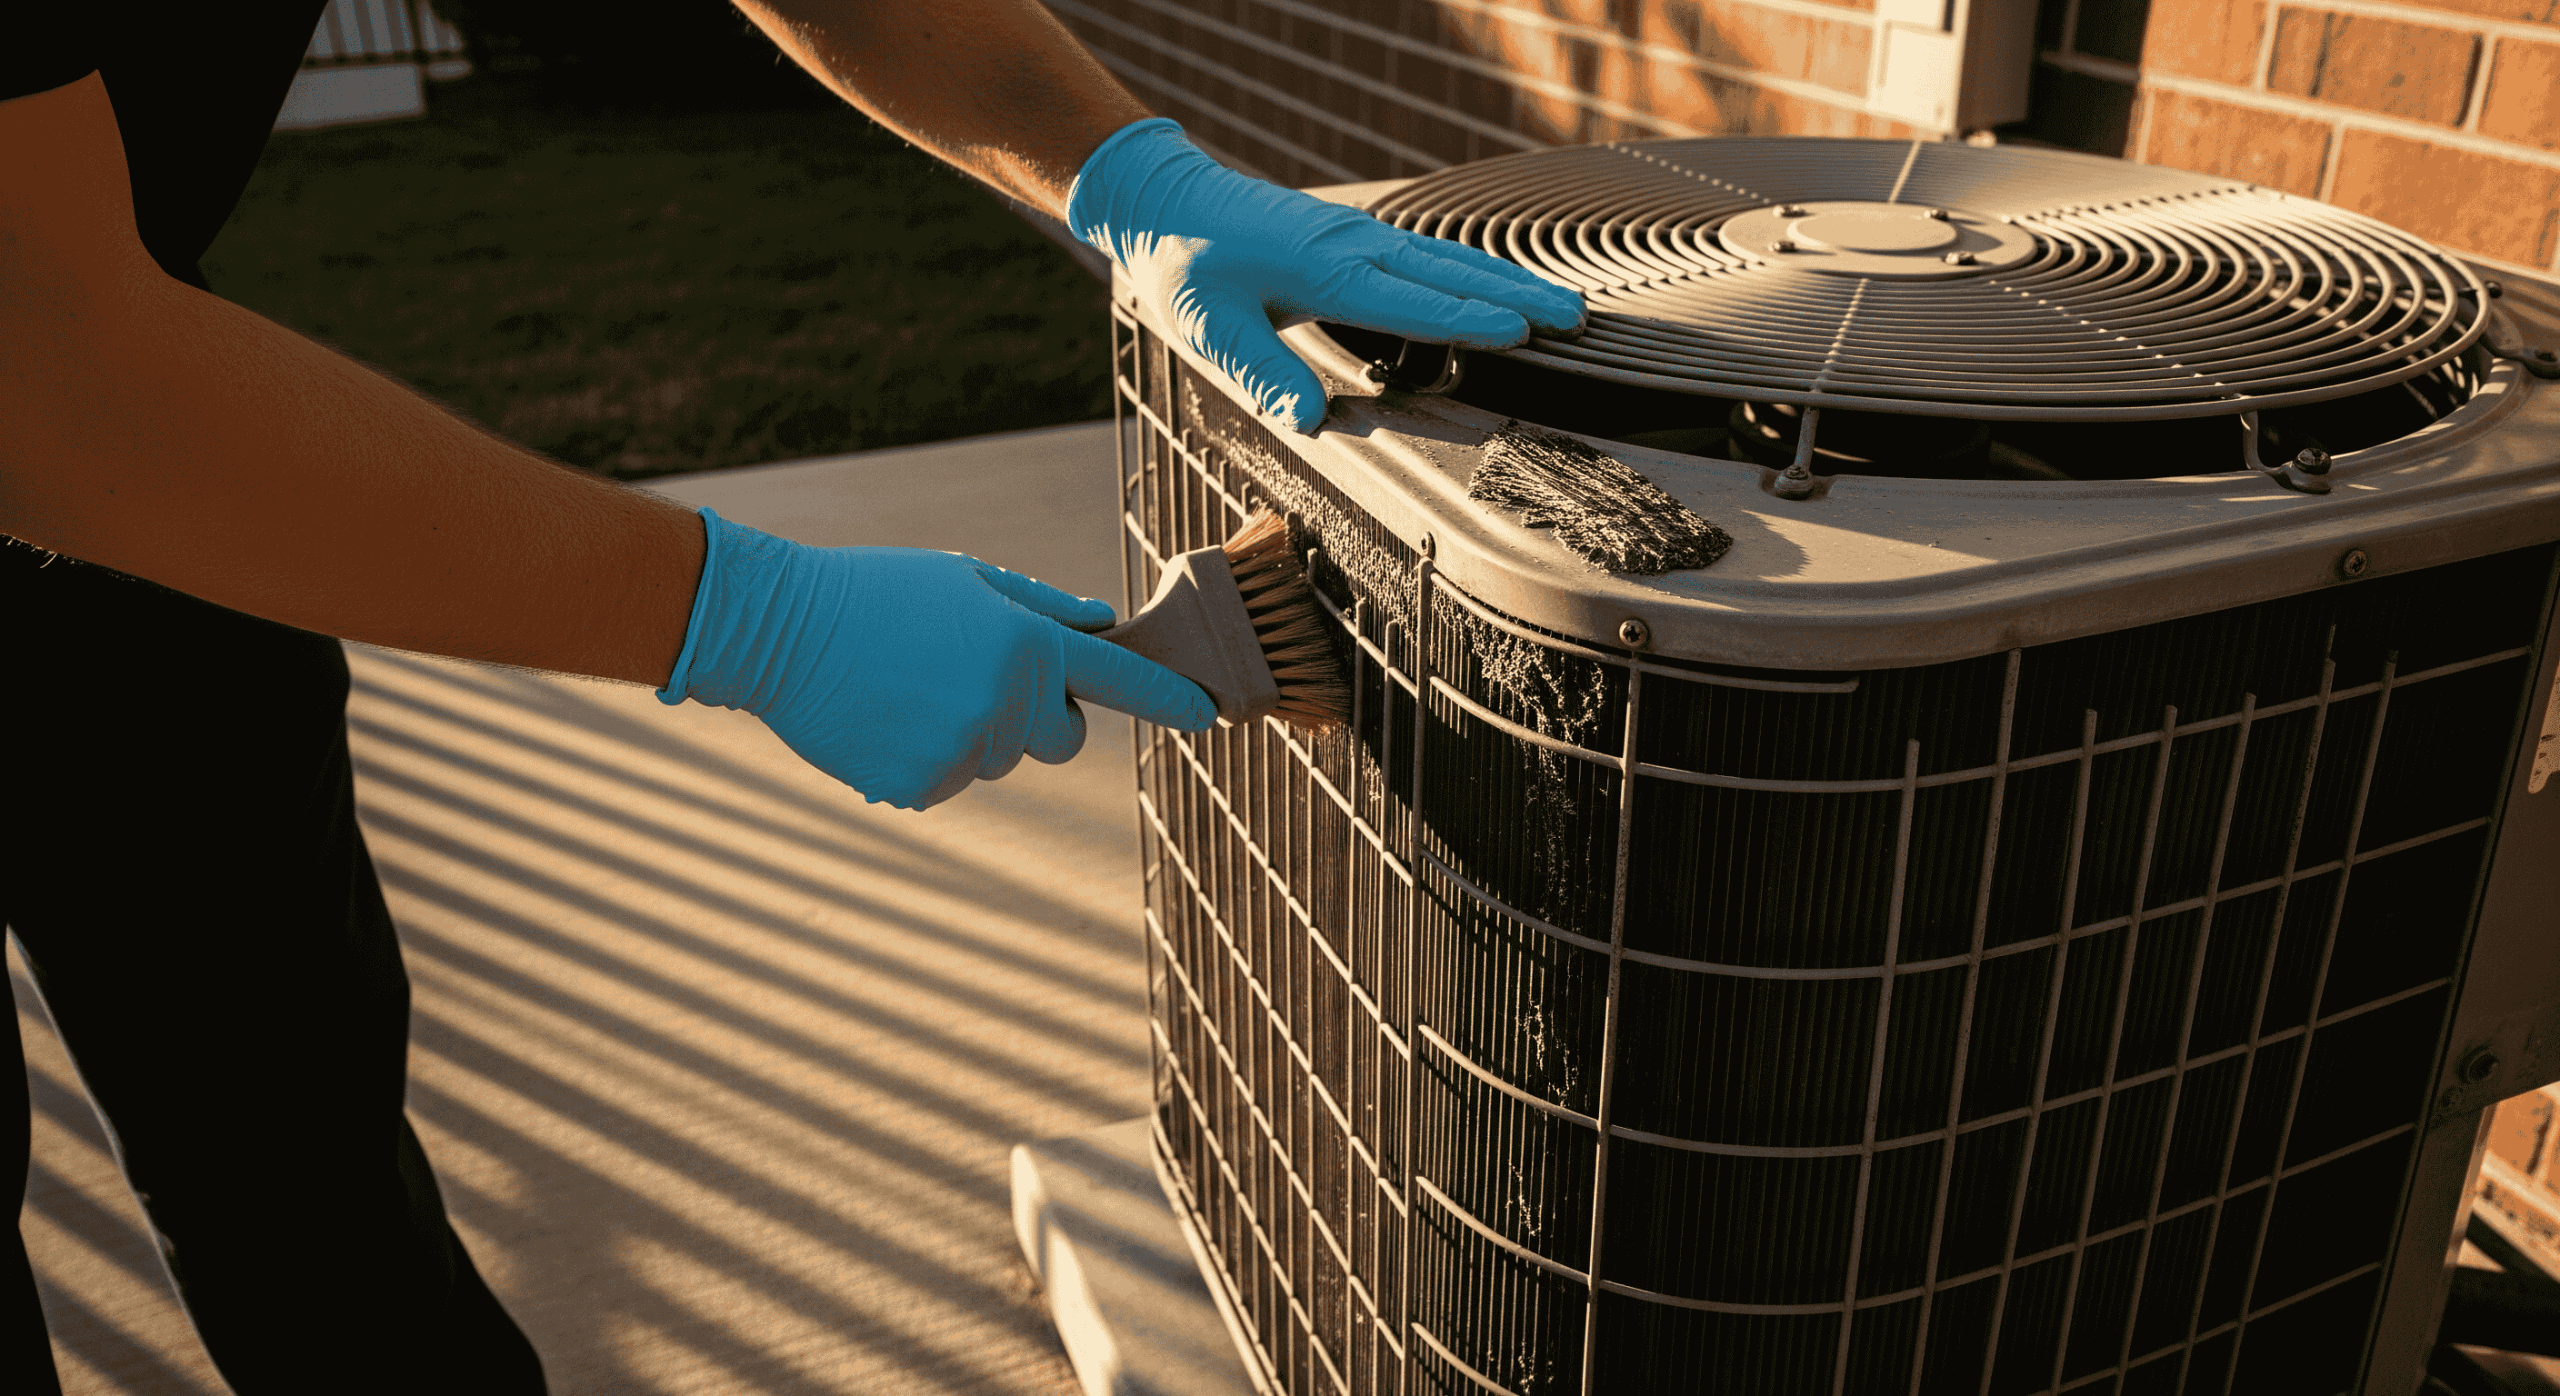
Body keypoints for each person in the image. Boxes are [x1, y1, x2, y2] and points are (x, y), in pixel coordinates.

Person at [0, 1, 1583, 1389]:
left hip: (144, 424)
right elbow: (51, 390)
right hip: (79, 381)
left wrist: (1119, 170)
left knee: (292, 1127)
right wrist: (754, 622)